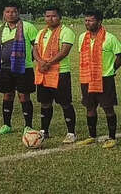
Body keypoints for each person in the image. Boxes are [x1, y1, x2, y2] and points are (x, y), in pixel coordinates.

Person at [76, 10, 121, 149]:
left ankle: (112, 137)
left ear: (99, 21)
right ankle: (92, 136)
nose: (87, 23)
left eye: (91, 20)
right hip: (87, 78)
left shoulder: (110, 38)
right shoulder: (82, 38)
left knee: (108, 108)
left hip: (104, 78)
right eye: (86, 20)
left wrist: (111, 69)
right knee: (90, 107)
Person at [0, 2, 38, 135]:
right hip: (5, 68)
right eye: (8, 12)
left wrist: (34, 60)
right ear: (4, 13)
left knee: (24, 96)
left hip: (24, 68)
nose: (10, 14)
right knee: (7, 95)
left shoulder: (28, 27)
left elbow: (36, 47)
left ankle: (28, 126)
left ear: (18, 13)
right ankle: (6, 124)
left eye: (13, 12)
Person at [33, 7, 77, 143]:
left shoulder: (66, 31)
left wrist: (48, 63)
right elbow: (35, 49)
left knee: (65, 103)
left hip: (60, 72)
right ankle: (44, 131)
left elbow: (64, 51)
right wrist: (40, 62)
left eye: (53, 16)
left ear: (60, 17)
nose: (50, 19)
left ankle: (71, 133)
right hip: (43, 73)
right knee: (45, 103)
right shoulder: (41, 32)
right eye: (47, 16)